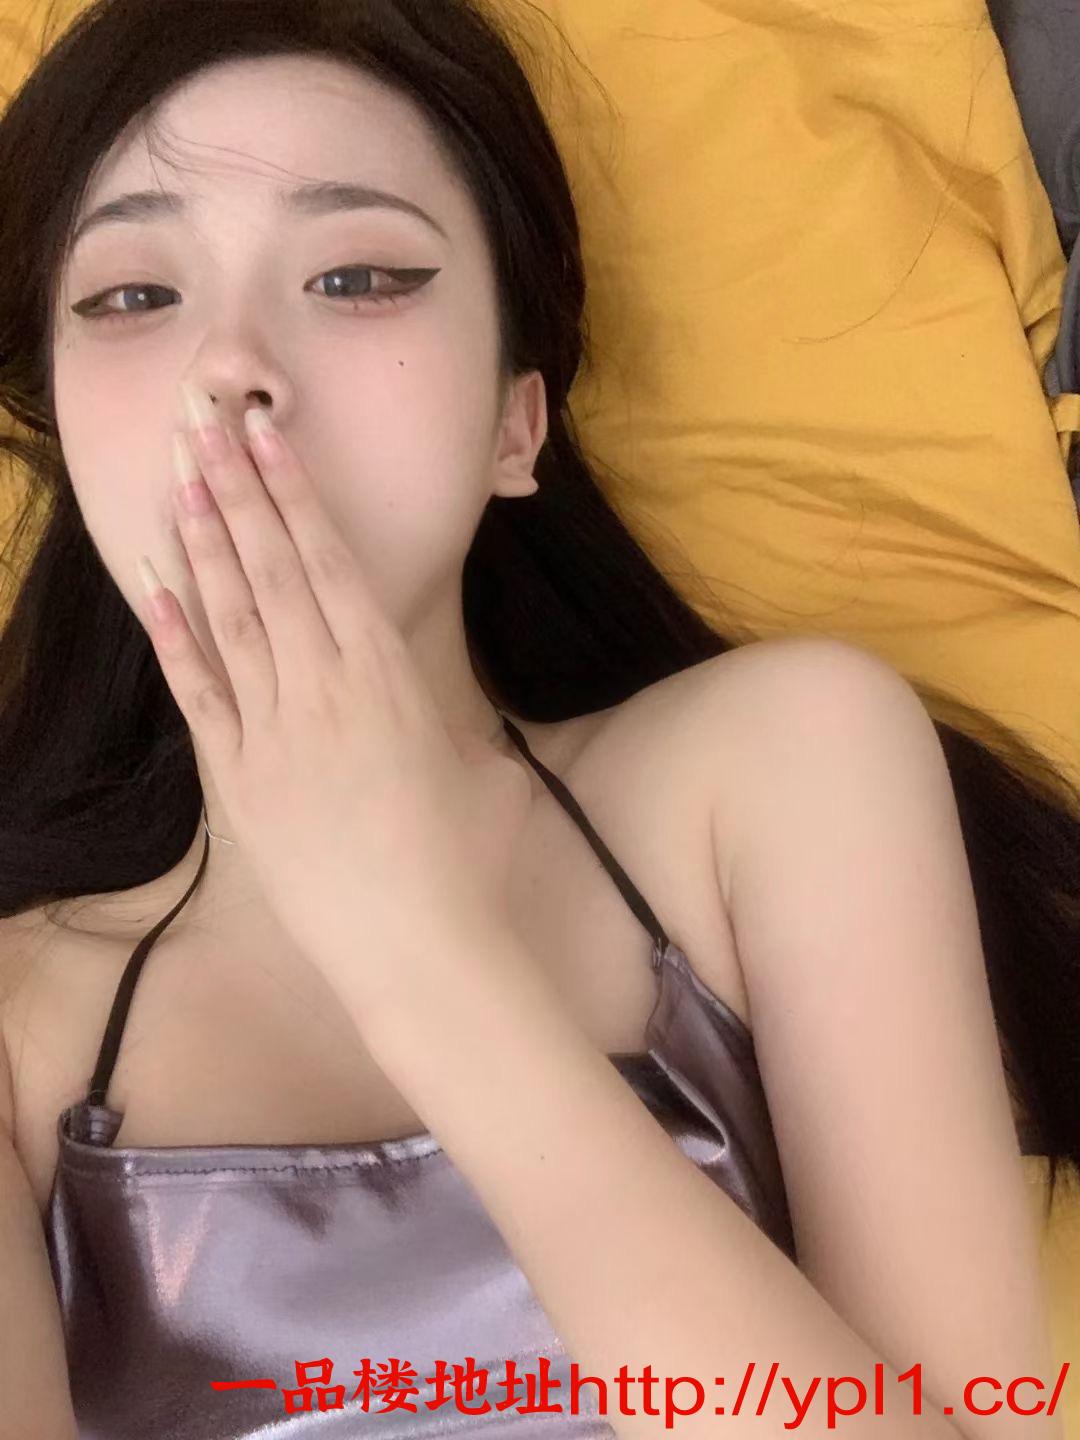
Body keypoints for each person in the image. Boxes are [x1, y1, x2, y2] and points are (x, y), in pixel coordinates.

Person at [0, 2, 1076, 1437]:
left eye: (359, 275)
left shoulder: (782, 770)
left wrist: (416, 954)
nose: (230, 364)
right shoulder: (20, 1022)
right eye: (134, 296)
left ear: (518, 426)